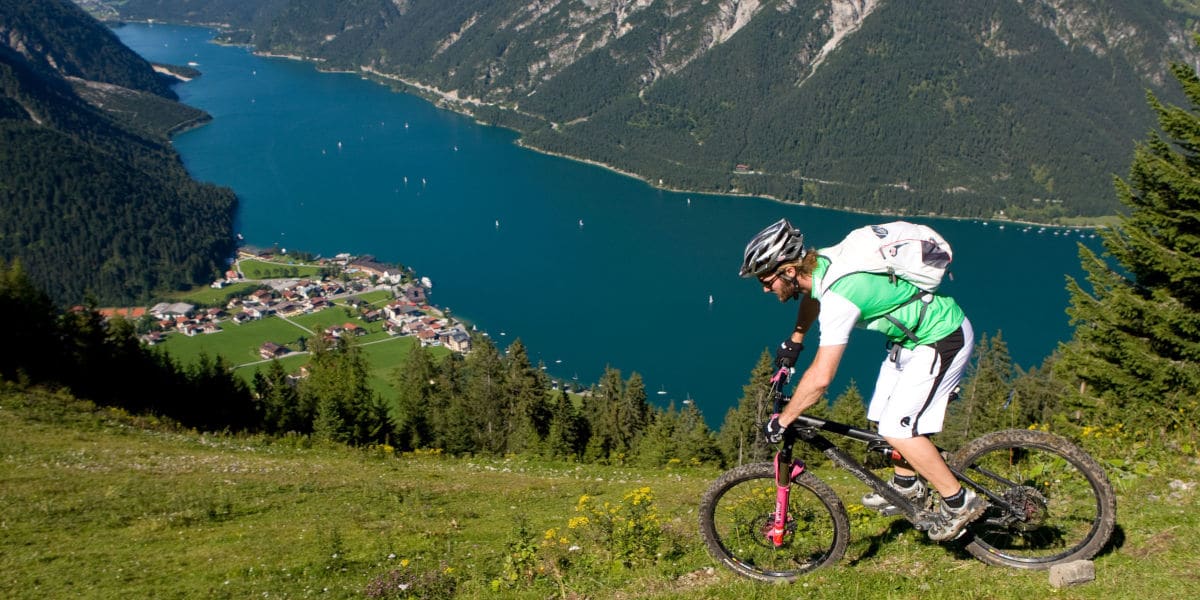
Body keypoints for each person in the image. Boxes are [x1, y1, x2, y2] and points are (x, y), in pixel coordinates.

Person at [739, 218, 986, 541]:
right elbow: (814, 297)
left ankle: (958, 502)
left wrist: (785, 420)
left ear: (787, 270)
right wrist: (796, 339)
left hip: (942, 339)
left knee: (899, 428)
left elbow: (822, 377)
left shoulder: (841, 298)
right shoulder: (821, 263)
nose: (764, 288)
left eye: (766, 279)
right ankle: (908, 485)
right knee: (881, 418)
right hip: (912, 342)